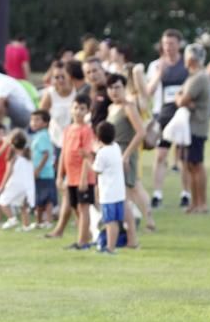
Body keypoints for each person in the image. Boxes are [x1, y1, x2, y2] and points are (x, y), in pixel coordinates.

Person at [146, 29, 189, 209]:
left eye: (171, 44)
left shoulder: (187, 65)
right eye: (165, 44)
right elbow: (148, 92)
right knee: (161, 154)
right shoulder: (155, 65)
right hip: (162, 115)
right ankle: (157, 194)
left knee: (184, 157)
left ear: (179, 44)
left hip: (183, 115)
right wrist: (159, 74)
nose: (168, 47)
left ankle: (186, 193)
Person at [106, 72, 155, 233]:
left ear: (124, 88)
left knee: (133, 187)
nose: (114, 91)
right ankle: (128, 221)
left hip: (127, 150)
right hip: (114, 151)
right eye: (111, 88)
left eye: (117, 87)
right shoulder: (111, 107)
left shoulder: (129, 107)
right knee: (124, 189)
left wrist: (126, 155)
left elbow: (140, 132)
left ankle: (149, 220)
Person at [52, 95, 96, 249]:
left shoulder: (87, 131)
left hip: (83, 177)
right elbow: (64, 153)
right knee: (75, 206)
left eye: (82, 109)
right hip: (71, 176)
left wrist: (84, 178)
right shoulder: (68, 129)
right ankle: (86, 235)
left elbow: (87, 155)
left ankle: (82, 242)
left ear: (88, 111)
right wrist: (59, 175)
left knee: (83, 208)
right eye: (76, 108)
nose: (78, 112)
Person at [177, 43, 210, 214]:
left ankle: (201, 204)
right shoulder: (192, 77)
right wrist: (182, 98)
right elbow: (181, 96)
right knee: (189, 165)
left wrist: (183, 99)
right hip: (189, 127)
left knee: (196, 165)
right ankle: (194, 203)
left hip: (197, 127)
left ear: (191, 59)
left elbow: (181, 99)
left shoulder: (199, 78)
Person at [87, 121, 128, 253]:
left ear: (98, 137)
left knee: (109, 221)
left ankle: (110, 248)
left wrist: (87, 160)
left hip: (108, 194)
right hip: (119, 192)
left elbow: (97, 169)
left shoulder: (102, 153)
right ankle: (112, 246)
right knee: (115, 221)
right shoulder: (116, 147)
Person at [0, 129, 34, 230]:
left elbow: (8, 172)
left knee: (2, 201)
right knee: (23, 206)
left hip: (15, 184)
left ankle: (12, 219)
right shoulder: (28, 156)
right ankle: (26, 226)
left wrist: (2, 186)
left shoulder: (13, 157)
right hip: (27, 186)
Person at [29, 110, 56, 228]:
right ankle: (39, 221)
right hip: (39, 174)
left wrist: (38, 170)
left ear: (45, 123)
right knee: (39, 198)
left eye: (37, 120)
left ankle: (48, 221)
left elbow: (46, 154)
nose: (33, 123)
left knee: (47, 199)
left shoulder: (43, 136)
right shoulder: (37, 136)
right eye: (32, 120)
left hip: (45, 174)